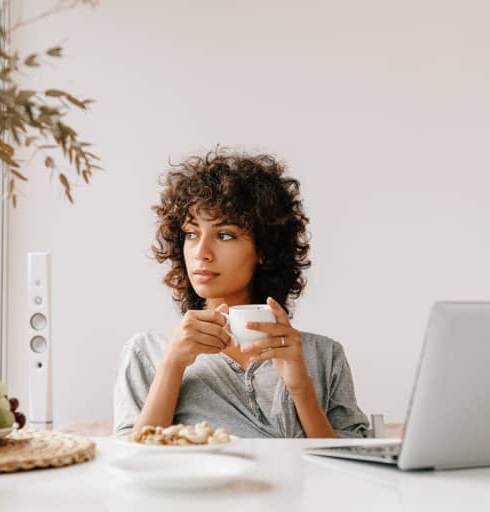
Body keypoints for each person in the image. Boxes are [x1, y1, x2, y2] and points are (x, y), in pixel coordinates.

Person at [113, 149, 369, 438]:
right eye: (191, 233)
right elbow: (130, 459)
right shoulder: (147, 351)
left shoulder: (324, 355)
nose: (201, 253)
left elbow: (350, 468)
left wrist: (300, 387)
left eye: (224, 235)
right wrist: (172, 366)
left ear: (264, 249)